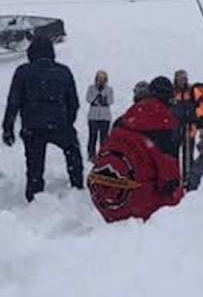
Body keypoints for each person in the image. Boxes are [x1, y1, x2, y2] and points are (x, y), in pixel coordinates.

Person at [88, 76, 184, 222]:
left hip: (103, 198)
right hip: (139, 205)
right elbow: (170, 178)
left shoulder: (123, 119)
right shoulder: (167, 125)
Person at [2, 36, 82, 202]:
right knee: (72, 150)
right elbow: (73, 102)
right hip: (59, 123)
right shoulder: (63, 71)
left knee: (34, 165)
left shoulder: (23, 71)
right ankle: (77, 186)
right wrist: (67, 122)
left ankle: (34, 196)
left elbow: (13, 102)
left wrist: (8, 128)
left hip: (33, 126)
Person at [86, 70, 114, 162]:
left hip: (105, 117)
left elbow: (110, 101)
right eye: (99, 79)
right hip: (93, 117)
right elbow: (89, 99)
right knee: (92, 136)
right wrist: (96, 97)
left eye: (103, 79)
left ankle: (103, 154)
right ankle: (91, 155)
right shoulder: (91, 88)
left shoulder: (109, 89)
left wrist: (103, 100)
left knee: (104, 138)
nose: (101, 81)